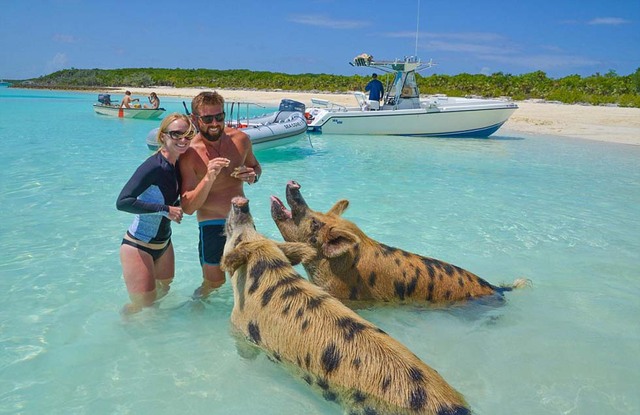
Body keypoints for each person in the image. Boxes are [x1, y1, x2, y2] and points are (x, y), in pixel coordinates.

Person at [179, 91, 262, 298]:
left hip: (242, 221)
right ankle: (198, 323)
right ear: (195, 119)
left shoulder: (241, 140)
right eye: (207, 119)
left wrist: (253, 175)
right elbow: (188, 207)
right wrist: (208, 177)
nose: (215, 123)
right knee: (213, 285)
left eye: (220, 117)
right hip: (211, 224)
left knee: (253, 282)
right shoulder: (190, 153)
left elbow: (256, 167)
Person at [116, 113, 196, 314]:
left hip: (164, 245)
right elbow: (123, 202)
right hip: (138, 245)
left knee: (162, 294)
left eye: (188, 135)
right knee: (143, 307)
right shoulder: (152, 167)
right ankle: (124, 333)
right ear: (163, 136)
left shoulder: (179, 164)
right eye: (176, 134)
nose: (183, 140)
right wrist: (165, 209)